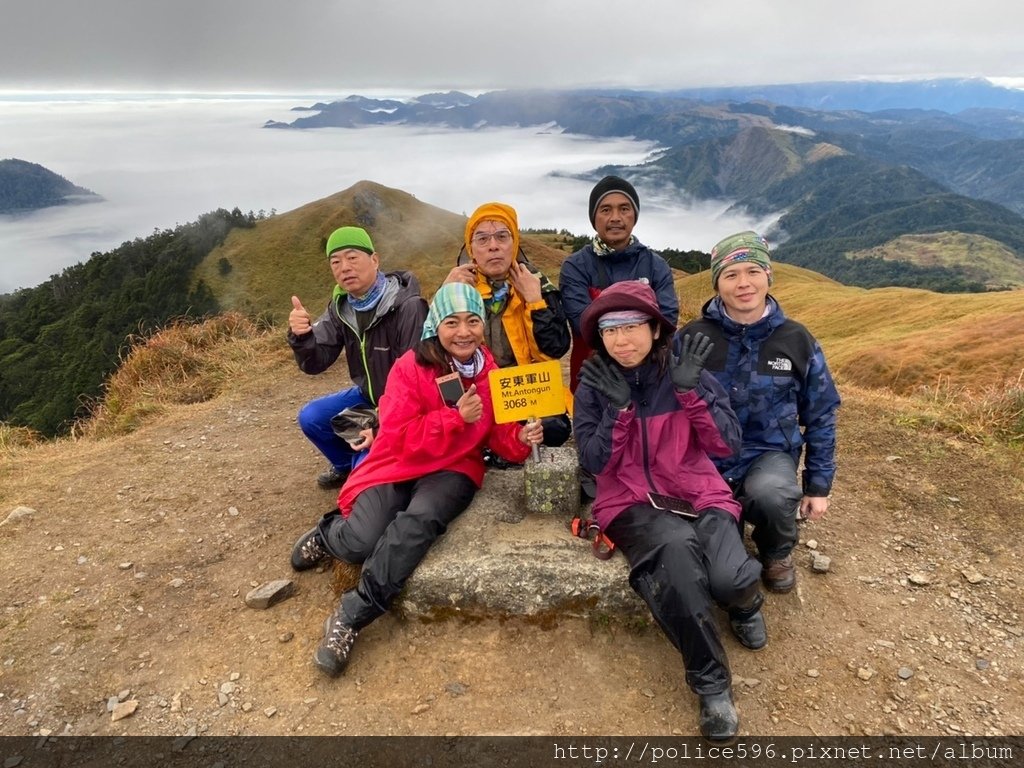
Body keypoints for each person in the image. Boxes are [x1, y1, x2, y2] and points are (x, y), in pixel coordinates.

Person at [289, 282, 544, 678]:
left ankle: (352, 615)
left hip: (454, 467)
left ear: (482, 326)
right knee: (359, 541)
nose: (464, 332)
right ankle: (328, 536)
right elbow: (395, 434)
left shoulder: (492, 373)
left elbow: (500, 439)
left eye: (473, 321)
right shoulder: (411, 367)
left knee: (419, 522)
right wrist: (454, 417)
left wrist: (522, 439)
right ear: (435, 327)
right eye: (452, 322)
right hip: (399, 460)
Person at [573, 280, 766, 742]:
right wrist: (618, 412)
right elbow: (595, 463)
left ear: (656, 329)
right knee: (677, 554)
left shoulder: (687, 371)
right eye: (609, 330)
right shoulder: (595, 383)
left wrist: (689, 393)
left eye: (632, 326)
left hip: (698, 491)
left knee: (731, 579)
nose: (621, 341)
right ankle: (712, 685)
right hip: (631, 501)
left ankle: (746, 602)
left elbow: (726, 444)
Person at [678, 231, 841, 594]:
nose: (743, 284)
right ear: (717, 283)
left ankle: (776, 552)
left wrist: (818, 486)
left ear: (769, 276)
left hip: (769, 453)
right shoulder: (693, 337)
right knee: (715, 559)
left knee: (772, 494)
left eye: (753, 271)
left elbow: (821, 414)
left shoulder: (797, 340)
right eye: (731, 275)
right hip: (706, 456)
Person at [288, 226, 428, 489]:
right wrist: (303, 336)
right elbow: (316, 362)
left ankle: (367, 469)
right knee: (312, 417)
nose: (344, 267)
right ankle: (346, 466)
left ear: (374, 260)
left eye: (353, 258)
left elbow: (415, 381)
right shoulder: (342, 307)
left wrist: (379, 421)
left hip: (404, 408)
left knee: (368, 479)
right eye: (336, 262)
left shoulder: (408, 306)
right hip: (368, 396)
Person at [443, 202, 572, 451]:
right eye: (482, 239)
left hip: (521, 390)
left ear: (514, 243)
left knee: (555, 428)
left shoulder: (536, 283)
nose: (493, 245)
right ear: (471, 249)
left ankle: (500, 438)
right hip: (476, 391)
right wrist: (446, 295)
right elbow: (431, 351)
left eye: (502, 236)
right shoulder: (457, 286)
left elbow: (555, 349)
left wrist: (535, 302)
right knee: (458, 425)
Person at [559, 175, 679, 393]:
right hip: (595, 378)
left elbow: (667, 319)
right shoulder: (576, 267)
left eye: (624, 209)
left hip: (651, 377)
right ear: (593, 217)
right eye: (605, 210)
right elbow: (582, 323)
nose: (615, 217)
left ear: (635, 216)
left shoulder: (655, 265)